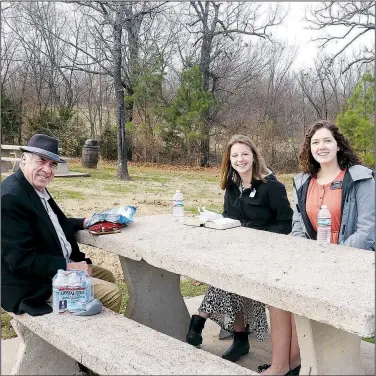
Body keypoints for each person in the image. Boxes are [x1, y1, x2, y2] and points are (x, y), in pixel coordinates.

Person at [259, 120, 375, 376]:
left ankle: (293, 363)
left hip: (350, 261)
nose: (321, 146)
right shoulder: (303, 182)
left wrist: (333, 258)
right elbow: (299, 226)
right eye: (315, 142)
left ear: (338, 145)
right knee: (279, 289)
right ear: (308, 148)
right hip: (315, 258)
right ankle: (282, 365)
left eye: (326, 141)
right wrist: (304, 255)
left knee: (303, 295)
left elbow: (367, 231)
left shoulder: (360, 178)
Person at [185, 134, 293, 363]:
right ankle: (238, 337)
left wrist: (256, 237)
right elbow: (229, 218)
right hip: (238, 251)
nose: (240, 159)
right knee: (226, 273)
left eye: (245, 154)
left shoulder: (271, 187)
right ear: (229, 159)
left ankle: (203, 320)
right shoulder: (232, 187)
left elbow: (285, 225)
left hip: (267, 252)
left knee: (229, 276)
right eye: (235, 155)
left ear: (254, 156)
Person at [1, 134, 122, 316]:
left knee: (107, 276)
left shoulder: (33, 187)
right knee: (112, 294)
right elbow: (20, 260)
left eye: (52, 164)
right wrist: (69, 267)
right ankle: (90, 338)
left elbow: (50, 222)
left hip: (55, 267)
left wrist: (83, 222)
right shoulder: (11, 198)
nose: (47, 170)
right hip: (32, 284)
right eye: (41, 161)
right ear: (24, 160)